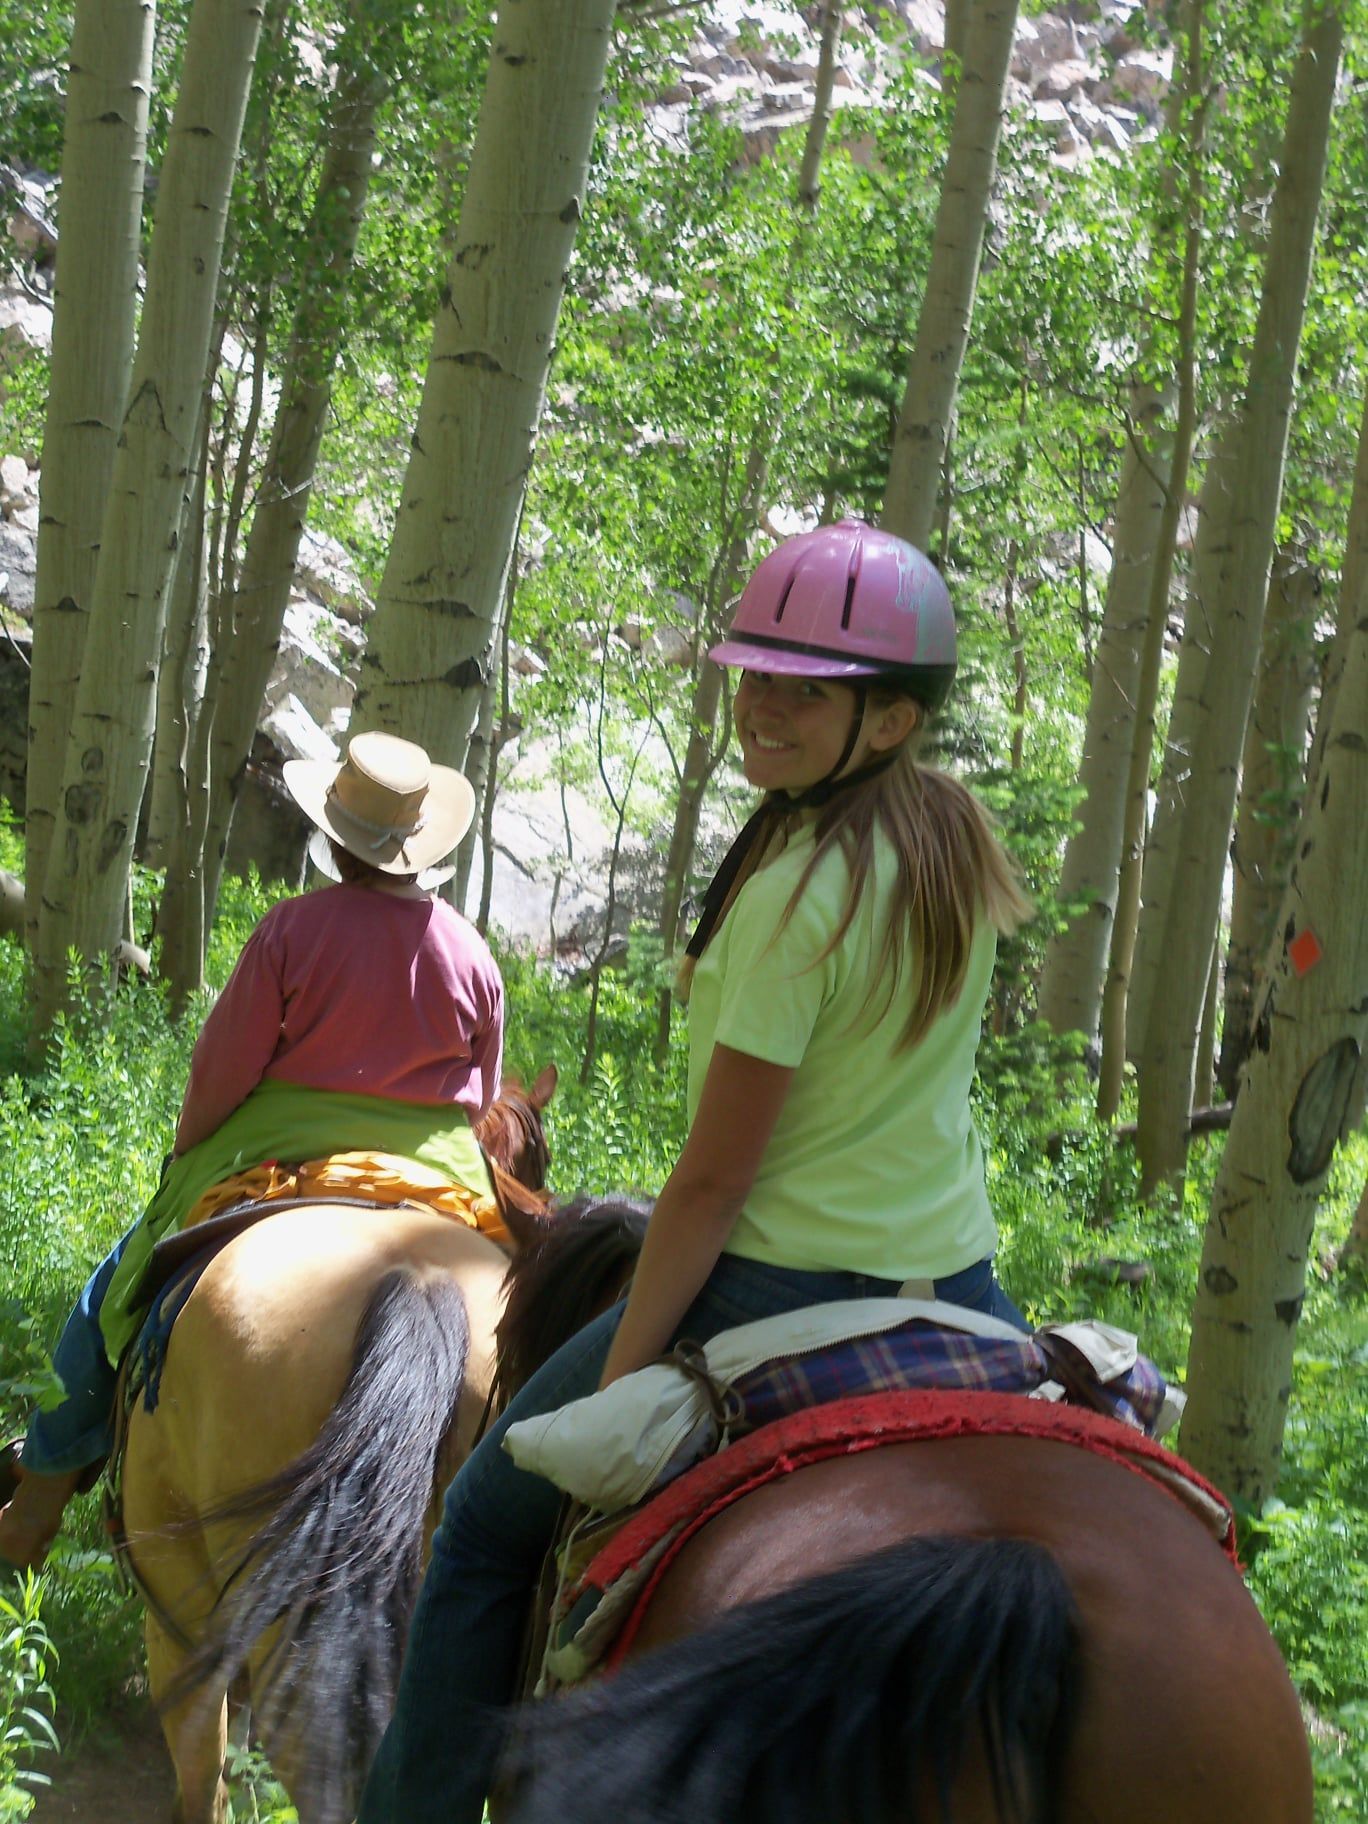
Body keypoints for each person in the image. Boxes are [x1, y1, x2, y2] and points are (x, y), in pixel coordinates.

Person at [357, 520, 1033, 1824]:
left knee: (489, 1528)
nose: (761, 707)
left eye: (804, 690)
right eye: (753, 673)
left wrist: (613, 1390)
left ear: (888, 722)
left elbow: (717, 1187)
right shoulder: (949, 845)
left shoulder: (797, 894)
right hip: (960, 1284)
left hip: (774, 1281)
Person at [0, 731, 504, 1572]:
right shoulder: (473, 954)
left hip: (279, 1147)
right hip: (440, 1170)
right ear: (424, 850)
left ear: (336, 839)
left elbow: (219, 1074)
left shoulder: (290, 930)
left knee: (111, 1291)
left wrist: (184, 1164)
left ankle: (35, 1506)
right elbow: (482, 1098)